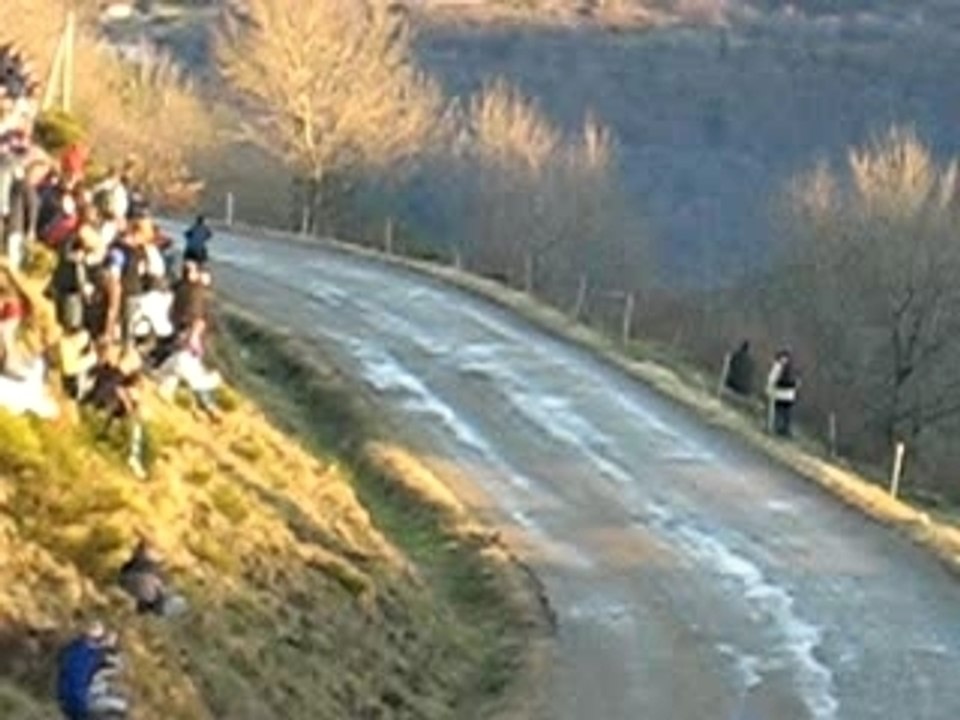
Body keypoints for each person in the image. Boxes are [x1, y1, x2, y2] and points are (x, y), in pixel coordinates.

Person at [86, 343, 146, 478]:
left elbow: (134, 382)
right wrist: (121, 372)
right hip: (98, 401)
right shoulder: (101, 366)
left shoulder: (120, 366)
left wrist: (132, 389)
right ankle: (128, 450)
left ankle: (130, 451)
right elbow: (100, 391)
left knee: (134, 406)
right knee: (128, 408)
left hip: (112, 395)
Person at [56, 622, 128, 720]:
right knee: (120, 705)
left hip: (64, 700)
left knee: (113, 698)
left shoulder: (74, 648)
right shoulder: (94, 654)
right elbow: (117, 666)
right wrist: (110, 647)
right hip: (80, 702)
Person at [118, 539, 187, 617]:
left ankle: (145, 546)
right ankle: (144, 548)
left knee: (153, 572)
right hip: (127, 573)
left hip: (133, 571)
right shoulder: (146, 596)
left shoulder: (151, 594)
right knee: (155, 573)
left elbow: (152, 580)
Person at [766, 349, 799, 437]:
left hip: (779, 394)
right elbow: (796, 383)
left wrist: (769, 391)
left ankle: (776, 428)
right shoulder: (792, 368)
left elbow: (771, 380)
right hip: (790, 395)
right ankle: (785, 430)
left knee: (778, 413)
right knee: (786, 414)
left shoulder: (777, 366)